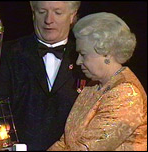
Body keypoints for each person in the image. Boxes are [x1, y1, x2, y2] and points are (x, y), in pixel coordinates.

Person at [48, 12, 147, 151]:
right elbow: (66, 141)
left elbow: (89, 148)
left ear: (106, 53)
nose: (78, 61)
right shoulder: (93, 86)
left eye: (83, 54)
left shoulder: (125, 93)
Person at [0, 1, 87, 151]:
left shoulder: (85, 56)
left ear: (72, 16)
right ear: (33, 13)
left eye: (57, 13)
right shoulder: (8, 53)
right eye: (42, 12)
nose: (48, 20)